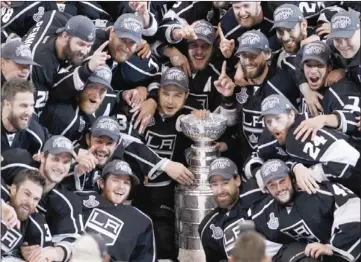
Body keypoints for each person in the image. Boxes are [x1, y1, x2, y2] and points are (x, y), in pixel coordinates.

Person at [132, 66, 202, 261]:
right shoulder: (143, 110)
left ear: (186, 95)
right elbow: (128, 145)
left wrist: (202, 120)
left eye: (177, 95)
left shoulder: (190, 116)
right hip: (137, 192)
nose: (170, 101)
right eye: (165, 94)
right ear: (158, 91)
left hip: (167, 198)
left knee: (163, 237)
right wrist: (151, 100)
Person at [214, 30, 300, 169]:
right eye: (243, 55)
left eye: (253, 55)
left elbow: (295, 126)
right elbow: (232, 125)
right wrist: (227, 98)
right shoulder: (234, 83)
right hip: (246, 162)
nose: (248, 61)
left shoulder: (282, 84)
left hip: (278, 165)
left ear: (266, 54)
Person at [249, 159, 361, 262]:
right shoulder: (264, 212)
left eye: (282, 181)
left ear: (293, 179)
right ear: (267, 190)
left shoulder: (319, 191)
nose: (279, 189)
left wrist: (333, 247)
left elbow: (354, 211)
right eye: (272, 185)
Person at [259, 94, 361, 195]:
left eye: (278, 118)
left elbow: (349, 159)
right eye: (268, 122)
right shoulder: (305, 120)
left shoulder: (296, 136)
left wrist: (313, 174)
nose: (273, 126)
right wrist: (296, 166)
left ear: (291, 115)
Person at [1, 136, 83, 261]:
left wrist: (51, 253)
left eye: (66, 162)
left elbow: (74, 243)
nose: (61, 167)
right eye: (56, 159)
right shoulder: (18, 161)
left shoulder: (68, 202)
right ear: (42, 157)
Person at [62, 115, 194, 192]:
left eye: (109, 143)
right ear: (87, 139)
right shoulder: (73, 153)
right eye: (98, 141)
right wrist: (77, 170)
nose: (103, 148)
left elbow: (133, 145)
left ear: (117, 143)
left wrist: (166, 164)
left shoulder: (126, 154)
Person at [76, 159, 157, 262]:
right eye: (115, 180)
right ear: (101, 182)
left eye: (126, 183)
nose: (121, 187)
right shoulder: (80, 199)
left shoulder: (142, 221)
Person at [21, 12, 96, 115]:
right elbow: (32, 113)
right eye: (81, 44)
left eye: (89, 46)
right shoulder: (41, 64)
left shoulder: (57, 16)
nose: (84, 51)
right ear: (65, 36)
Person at [198, 157, 264, 262]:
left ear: (237, 180)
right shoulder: (207, 227)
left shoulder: (256, 192)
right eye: (214, 184)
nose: (220, 191)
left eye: (225, 183)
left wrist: (258, 172)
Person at [1, 169, 65, 261]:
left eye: (36, 199)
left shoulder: (37, 226)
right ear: (14, 189)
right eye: (27, 194)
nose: (30, 203)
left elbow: (46, 256)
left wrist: (37, 257)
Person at [1, 78, 48, 155]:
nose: (30, 112)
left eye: (32, 105)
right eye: (24, 105)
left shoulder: (35, 132)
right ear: (7, 104)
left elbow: (52, 141)